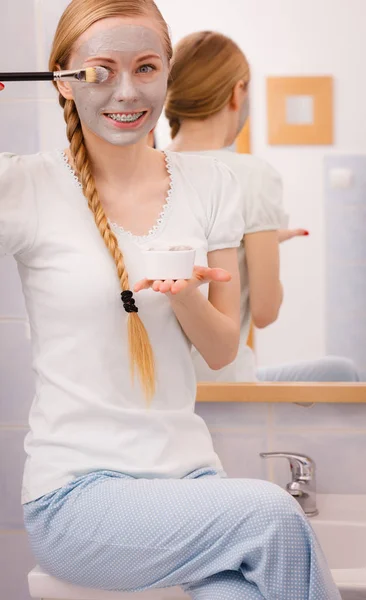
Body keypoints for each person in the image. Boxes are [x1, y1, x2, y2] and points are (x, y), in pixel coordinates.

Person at [0, 2, 340, 598]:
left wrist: (184, 298)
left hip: (189, 483)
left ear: (167, 74)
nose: (127, 92)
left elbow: (221, 351)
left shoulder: (213, 185)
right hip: (77, 498)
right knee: (272, 515)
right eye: (101, 71)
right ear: (63, 77)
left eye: (148, 67)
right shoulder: (25, 185)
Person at [165, 30, 360, 384]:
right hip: (221, 384)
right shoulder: (252, 175)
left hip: (154, 385)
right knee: (343, 372)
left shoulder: (145, 168)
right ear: (238, 93)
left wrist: (259, 242)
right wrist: (266, 250)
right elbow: (266, 312)